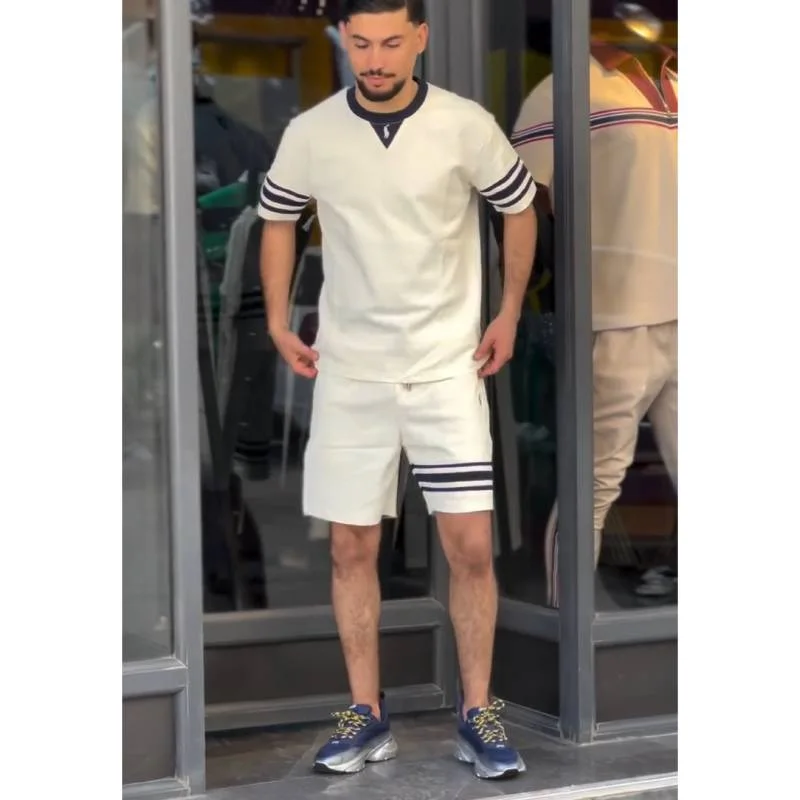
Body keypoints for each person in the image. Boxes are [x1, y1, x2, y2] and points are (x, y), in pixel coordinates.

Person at [259, 0, 537, 782]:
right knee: (351, 547)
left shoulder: (464, 123)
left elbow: (518, 207)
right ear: (344, 42)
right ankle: (366, 713)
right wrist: (277, 320)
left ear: (420, 38)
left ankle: (477, 713)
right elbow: (277, 219)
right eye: (360, 44)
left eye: (389, 42)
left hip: (447, 366)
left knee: (470, 548)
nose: (374, 59)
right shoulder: (312, 131)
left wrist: (510, 311)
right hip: (350, 372)